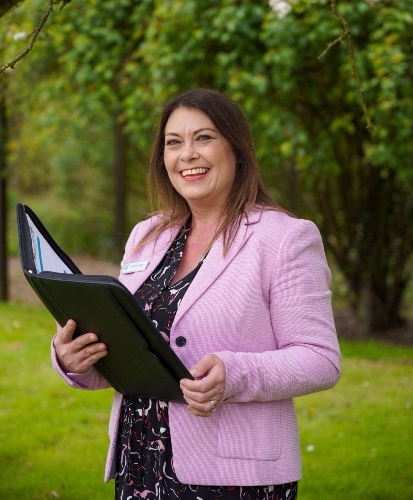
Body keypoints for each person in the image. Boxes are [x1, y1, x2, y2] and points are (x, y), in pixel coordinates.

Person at [52, 88, 341, 500]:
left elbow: (320, 359)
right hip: (139, 465)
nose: (187, 154)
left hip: (233, 478)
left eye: (203, 138)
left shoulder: (285, 238)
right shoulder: (146, 236)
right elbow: (134, 349)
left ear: (237, 150)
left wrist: (234, 374)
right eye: (174, 142)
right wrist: (74, 359)